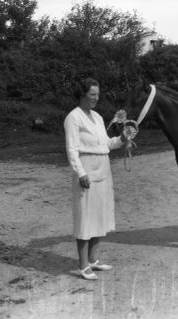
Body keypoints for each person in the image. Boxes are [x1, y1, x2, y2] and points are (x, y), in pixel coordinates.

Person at [64, 77, 131, 280]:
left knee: (100, 215)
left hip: (103, 169)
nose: (96, 98)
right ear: (82, 95)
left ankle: (93, 259)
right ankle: (83, 265)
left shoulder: (98, 117)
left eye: (97, 94)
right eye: (92, 94)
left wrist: (122, 138)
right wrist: (81, 173)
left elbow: (106, 144)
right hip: (86, 170)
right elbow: (72, 149)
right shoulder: (73, 118)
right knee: (85, 217)